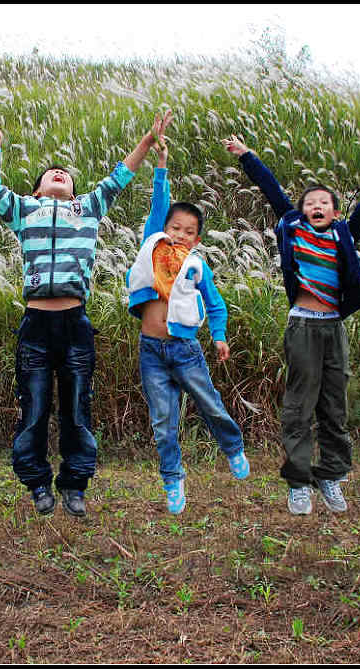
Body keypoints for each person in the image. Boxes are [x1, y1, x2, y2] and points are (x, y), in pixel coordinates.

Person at [0, 109, 169, 517]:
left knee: (78, 407)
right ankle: (37, 484)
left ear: (76, 190)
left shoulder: (88, 209)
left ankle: (75, 485)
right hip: (35, 326)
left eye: (65, 172)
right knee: (34, 406)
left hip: (75, 324)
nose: (59, 173)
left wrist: (147, 143)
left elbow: (120, 176)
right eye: (51, 173)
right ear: (38, 189)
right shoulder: (24, 210)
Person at [223, 135, 360, 515]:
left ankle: (331, 476)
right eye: (310, 203)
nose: (316, 206)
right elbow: (271, 189)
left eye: (324, 203)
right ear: (302, 211)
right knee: (299, 406)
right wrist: (246, 156)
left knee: (334, 407)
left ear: (335, 212)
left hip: (334, 327)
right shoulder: (293, 227)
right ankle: (299, 484)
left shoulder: (345, 233)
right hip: (302, 325)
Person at [127, 119, 250, 514]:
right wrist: (161, 165)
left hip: (185, 349)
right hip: (151, 351)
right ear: (163, 230)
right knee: (163, 421)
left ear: (197, 239)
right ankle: (173, 479)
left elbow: (215, 304)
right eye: (174, 228)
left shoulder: (197, 266)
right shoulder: (153, 245)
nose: (179, 234)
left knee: (210, 404)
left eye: (188, 231)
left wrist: (218, 335)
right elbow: (158, 204)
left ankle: (232, 447)